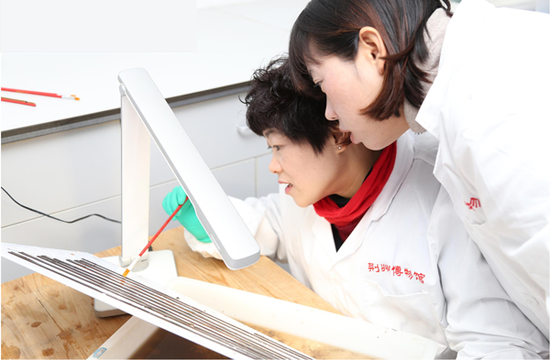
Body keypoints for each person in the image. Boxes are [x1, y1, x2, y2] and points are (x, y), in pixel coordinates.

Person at [163, 58, 548, 358]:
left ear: (339, 133)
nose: (273, 166)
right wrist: (210, 223)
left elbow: (498, 344)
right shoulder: (309, 193)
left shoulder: (443, 197)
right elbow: (272, 225)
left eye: (278, 148)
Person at [287, 0, 550, 339]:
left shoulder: (491, 117)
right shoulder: (474, 77)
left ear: (371, 49)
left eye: (322, 84)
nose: (330, 114)